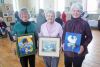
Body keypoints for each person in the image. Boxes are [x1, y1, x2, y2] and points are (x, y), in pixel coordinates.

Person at [62, 3, 93, 67]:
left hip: (79, 52)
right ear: (71, 11)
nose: (75, 13)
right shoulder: (67, 23)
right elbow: (64, 35)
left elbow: (89, 37)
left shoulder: (85, 23)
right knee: (67, 65)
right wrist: (63, 43)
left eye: (78, 11)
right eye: (74, 10)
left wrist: (83, 46)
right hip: (68, 51)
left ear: (81, 12)